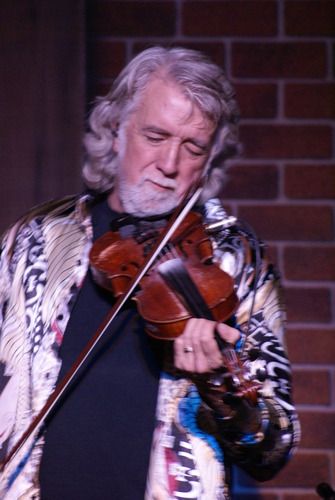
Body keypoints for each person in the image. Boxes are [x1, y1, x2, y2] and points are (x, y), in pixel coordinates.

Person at [0, 46, 299, 499]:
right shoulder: (35, 240)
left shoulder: (237, 260)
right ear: (116, 130)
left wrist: (221, 385)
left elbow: (274, 448)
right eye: (155, 137)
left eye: (193, 147)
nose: (170, 165)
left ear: (210, 157)